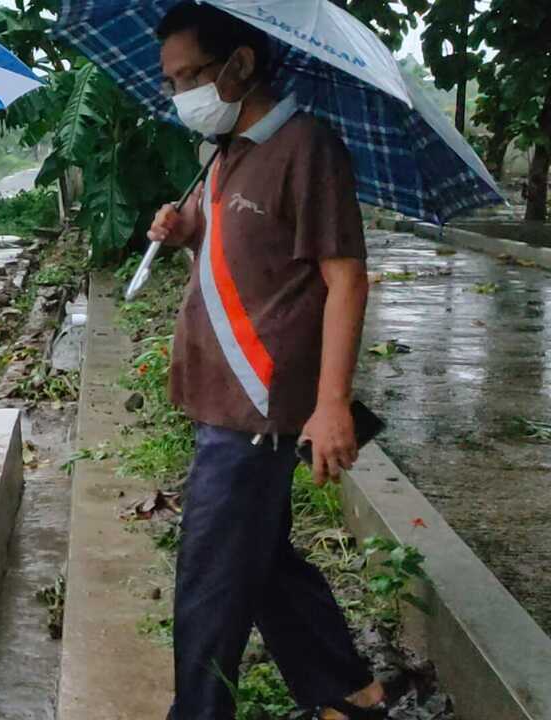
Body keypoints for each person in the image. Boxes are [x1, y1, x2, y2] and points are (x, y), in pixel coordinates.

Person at [146, 3, 387, 719]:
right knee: (262, 557)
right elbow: (248, 261)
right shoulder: (226, 155)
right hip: (220, 396)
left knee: (210, 581)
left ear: (242, 64)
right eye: (171, 82)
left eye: (190, 76)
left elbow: (346, 278)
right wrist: (189, 235)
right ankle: (348, 692)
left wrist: (332, 403)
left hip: (257, 406)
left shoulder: (306, 147)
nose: (181, 93)